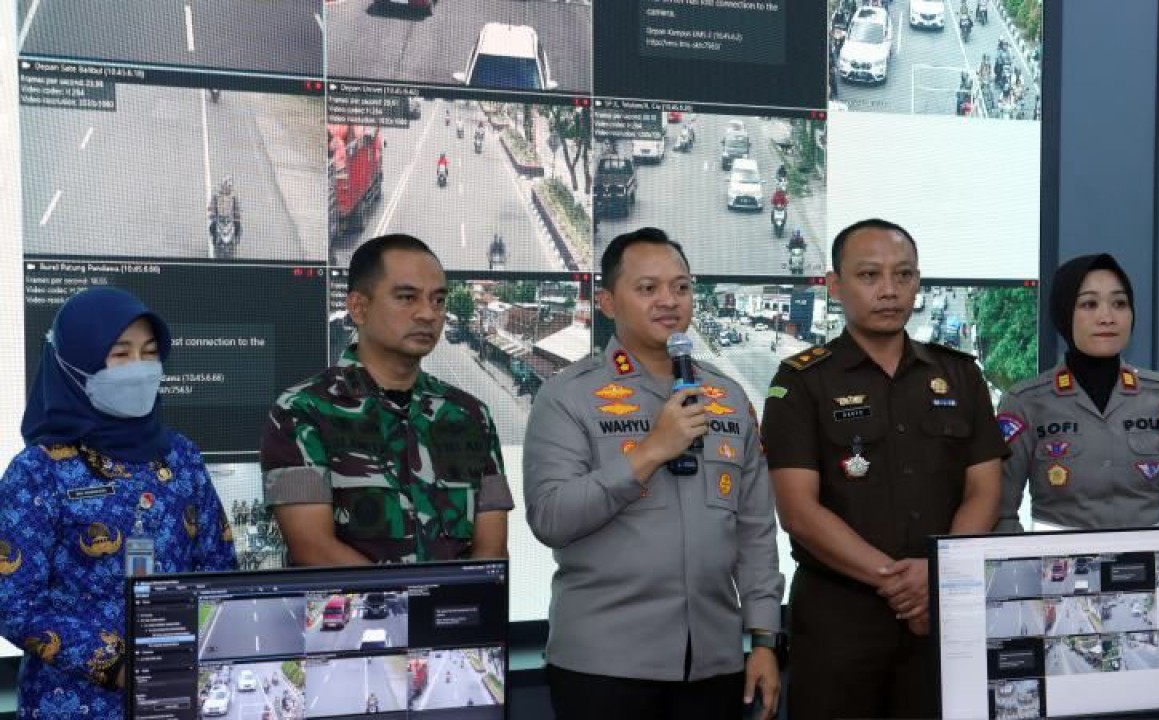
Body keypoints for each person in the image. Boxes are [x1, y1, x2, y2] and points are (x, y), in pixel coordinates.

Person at [524, 227, 783, 720]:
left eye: (681, 287)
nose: (669, 301)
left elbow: (754, 530)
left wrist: (766, 640)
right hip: (604, 666)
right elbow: (550, 517)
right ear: (606, 302)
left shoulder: (726, 396)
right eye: (648, 289)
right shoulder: (566, 397)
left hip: (714, 663)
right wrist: (650, 452)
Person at [761, 219, 1007, 719]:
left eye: (904, 275)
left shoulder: (959, 374)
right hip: (839, 624)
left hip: (940, 619)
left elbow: (984, 490)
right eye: (870, 276)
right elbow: (798, 512)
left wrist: (937, 578)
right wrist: (903, 583)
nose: (890, 290)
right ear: (835, 285)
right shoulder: (801, 381)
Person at [0, 287, 236, 720]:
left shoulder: (180, 456)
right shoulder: (38, 471)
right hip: (72, 704)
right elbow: (12, 601)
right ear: (75, 365)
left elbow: (219, 568)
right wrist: (120, 664)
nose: (140, 369)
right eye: (120, 354)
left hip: (179, 696)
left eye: (149, 353)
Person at [261, 233, 513, 564]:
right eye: (407, 298)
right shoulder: (299, 413)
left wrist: (450, 609)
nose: (428, 314)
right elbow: (313, 549)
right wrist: (411, 608)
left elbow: (492, 552)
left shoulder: (471, 416)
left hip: (455, 614)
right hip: (356, 616)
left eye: (438, 300)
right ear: (358, 308)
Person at [995, 254, 1159, 532]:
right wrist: (1028, 568)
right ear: (1063, 312)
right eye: (1089, 304)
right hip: (1056, 570)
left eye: (1119, 303)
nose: (1107, 317)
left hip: (1150, 568)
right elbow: (999, 511)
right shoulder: (1025, 402)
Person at [208, 175, 242, 242]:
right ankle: (214, 238)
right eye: (226, 186)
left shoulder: (233, 195)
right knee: (212, 226)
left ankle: (237, 237)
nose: (227, 188)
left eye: (229, 186)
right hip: (219, 216)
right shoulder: (217, 194)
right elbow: (212, 204)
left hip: (230, 217)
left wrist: (237, 214)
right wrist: (212, 212)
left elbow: (237, 205)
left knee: (238, 225)